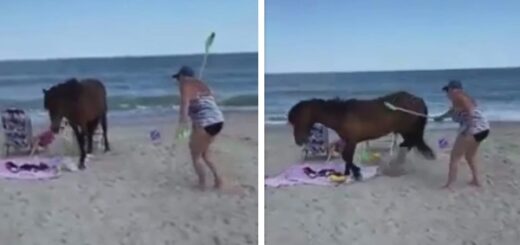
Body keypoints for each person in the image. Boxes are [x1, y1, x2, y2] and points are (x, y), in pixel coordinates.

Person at [172, 66, 226, 191]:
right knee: (205, 154)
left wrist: (182, 123)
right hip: (218, 121)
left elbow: (185, 105)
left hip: (206, 122)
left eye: (179, 78)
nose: (178, 81)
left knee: (195, 155)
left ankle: (202, 184)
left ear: (183, 77)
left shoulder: (186, 87)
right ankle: (219, 181)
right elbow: (204, 105)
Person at [436, 80, 490, 189]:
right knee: (469, 156)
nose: (447, 94)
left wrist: (469, 128)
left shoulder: (459, 97)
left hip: (474, 128)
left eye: (448, 90)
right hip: (483, 129)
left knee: (454, 157)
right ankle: (476, 180)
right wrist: (440, 118)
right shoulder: (460, 99)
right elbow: (452, 112)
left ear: (454, 89)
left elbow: (470, 111)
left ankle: (450, 184)